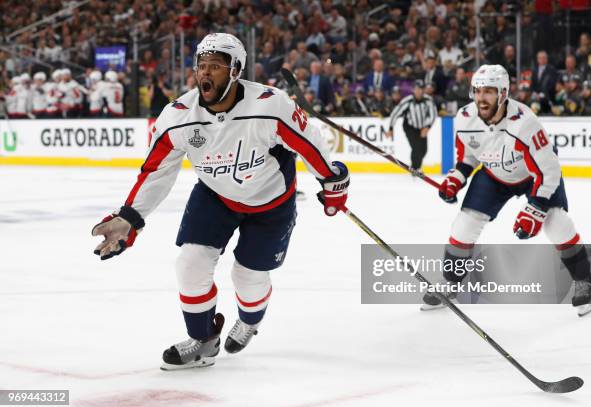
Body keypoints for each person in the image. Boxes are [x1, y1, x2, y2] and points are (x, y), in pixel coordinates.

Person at [91, 33, 349, 370]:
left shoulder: (270, 106)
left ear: (235, 71)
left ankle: (250, 321)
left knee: (248, 277)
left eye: (216, 65)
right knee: (190, 264)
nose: (205, 73)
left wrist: (332, 179)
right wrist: (130, 217)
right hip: (216, 196)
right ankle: (203, 339)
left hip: (270, 203)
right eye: (202, 66)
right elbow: (156, 172)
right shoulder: (178, 116)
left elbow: (308, 143)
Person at [422, 65, 591, 317]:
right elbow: (468, 155)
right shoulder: (464, 117)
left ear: (503, 93)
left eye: (489, 91)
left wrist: (535, 210)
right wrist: (457, 177)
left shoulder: (526, 123)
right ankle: (450, 282)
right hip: (494, 175)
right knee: (464, 224)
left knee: (556, 222)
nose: (481, 98)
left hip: (533, 176)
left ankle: (585, 280)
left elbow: (548, 171)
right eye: (478, 91)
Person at [386, 79, 437, 172]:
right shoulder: (407, 101)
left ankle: (415, 167)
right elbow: (395, 114)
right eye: (417, 89)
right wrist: (390, 128)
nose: (419, 91)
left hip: (422, 127)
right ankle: (416, 168)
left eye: (421, 89)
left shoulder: (428, 100)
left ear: (423, 90)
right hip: (409, 127)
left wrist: (427, 127)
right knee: (416, 147)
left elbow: (433, 114)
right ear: (413, 90)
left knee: (424, 150)